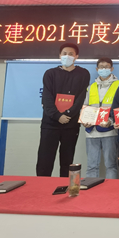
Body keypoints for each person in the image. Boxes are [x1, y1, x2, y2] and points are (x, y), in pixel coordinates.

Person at [36, 43, 90, 177]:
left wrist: (68, 114)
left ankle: (65, 186)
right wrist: (57, 116)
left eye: (71, 54)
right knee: (45, 160)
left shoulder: (83, 74)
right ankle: (42, 186)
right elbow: (47, 98)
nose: (67, 56)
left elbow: (81, 97)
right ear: (59, 55)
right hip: (50, 123)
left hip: (70, 124)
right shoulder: (50, 73)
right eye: (64, 54)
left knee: (67, 160)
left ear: (76, 56)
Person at [82, 57, 119, 179]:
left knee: (111, 165)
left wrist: (111, 122)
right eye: (101, 67)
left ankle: (111, 189)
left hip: (110, 132)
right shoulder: (91, 87)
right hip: (91, 132)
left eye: (107, 67)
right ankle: (90, 188)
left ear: (112, 69)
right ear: (97, 69)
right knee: (91, 166)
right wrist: (84, 121)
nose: (104, 69)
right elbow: (84, 106)